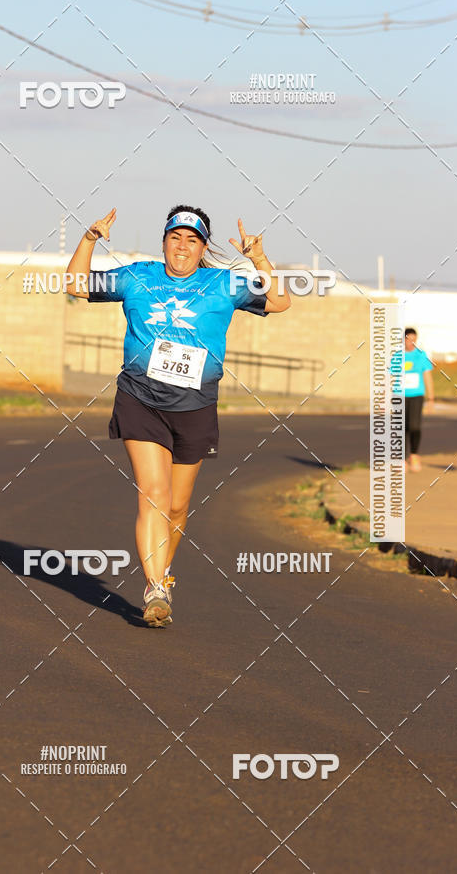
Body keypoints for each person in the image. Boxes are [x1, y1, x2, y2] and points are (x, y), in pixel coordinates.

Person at [66, 205, 291, 626]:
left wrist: (258, 258)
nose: (182, 246)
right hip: (140, 398)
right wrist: (90, 238)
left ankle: (162, 575)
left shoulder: (223, 283)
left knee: (178, 506)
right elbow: (77, 284)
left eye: (192, 239)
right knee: (154, 493)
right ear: (164, 242)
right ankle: (154, 587)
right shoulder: (137, 277)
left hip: (195, 406)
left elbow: (279, 301)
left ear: (203, 247)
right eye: (175, 237)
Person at [404, 327, 434, 472]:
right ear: (403, 340)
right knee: (401, 427)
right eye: (408, 339)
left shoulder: (421, 355)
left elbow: (427, 376)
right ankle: (401, 459)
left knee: (414, 426)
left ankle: (414, 455)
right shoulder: (397, 356)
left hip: (417, 395)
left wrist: (431, 398)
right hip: (400, 396)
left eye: (414, 340)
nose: (411, 343)